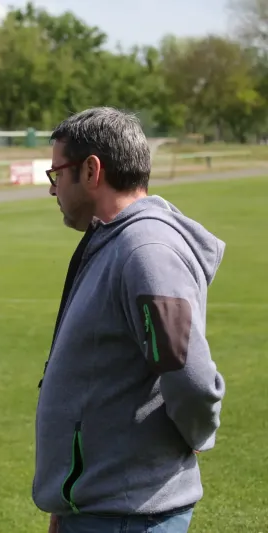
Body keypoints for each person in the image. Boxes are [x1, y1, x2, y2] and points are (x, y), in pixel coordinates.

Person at [34, 106, 226, 533]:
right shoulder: (115, 240)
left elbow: (188, 377)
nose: (53, 190)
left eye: (56, 174)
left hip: (128, 515)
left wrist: (194, 434)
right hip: (102, 507)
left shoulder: (146, 251)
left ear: (90, 170)